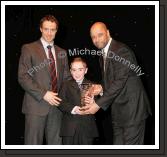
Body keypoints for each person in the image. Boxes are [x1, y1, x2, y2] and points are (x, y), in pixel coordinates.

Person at [82, 22, 152, 145]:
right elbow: (113, 80)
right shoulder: (102, 55)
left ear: (108, 33)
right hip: (119, 114)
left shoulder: (121, 50)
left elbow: (119, 81)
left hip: (132, 113)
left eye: (100, 35)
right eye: (93, 37)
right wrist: (101, 88)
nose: (96, 39)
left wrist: (97, 105)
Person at [18, 15, 71, 145]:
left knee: (56, 147)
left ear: (56, 31)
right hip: (36, 106)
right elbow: (23, 76)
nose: (49, 33)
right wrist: (44, 94)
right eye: (46, 29)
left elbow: (67, 79)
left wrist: (84, 88)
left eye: (52, 30)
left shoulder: (62, 52)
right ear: (40, 29)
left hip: (57, 108)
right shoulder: (28, 48)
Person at [58, 57, 99, 145]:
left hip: (87, 128)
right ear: (70, 71)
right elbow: (60, 102)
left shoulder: (93, 85)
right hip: (69, 128)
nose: (77, 73)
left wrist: (94, 103)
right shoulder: (66, 85)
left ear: (86, 70)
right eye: (74, 70)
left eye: (80, 70)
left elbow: (99, 104)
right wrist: (73, 109)